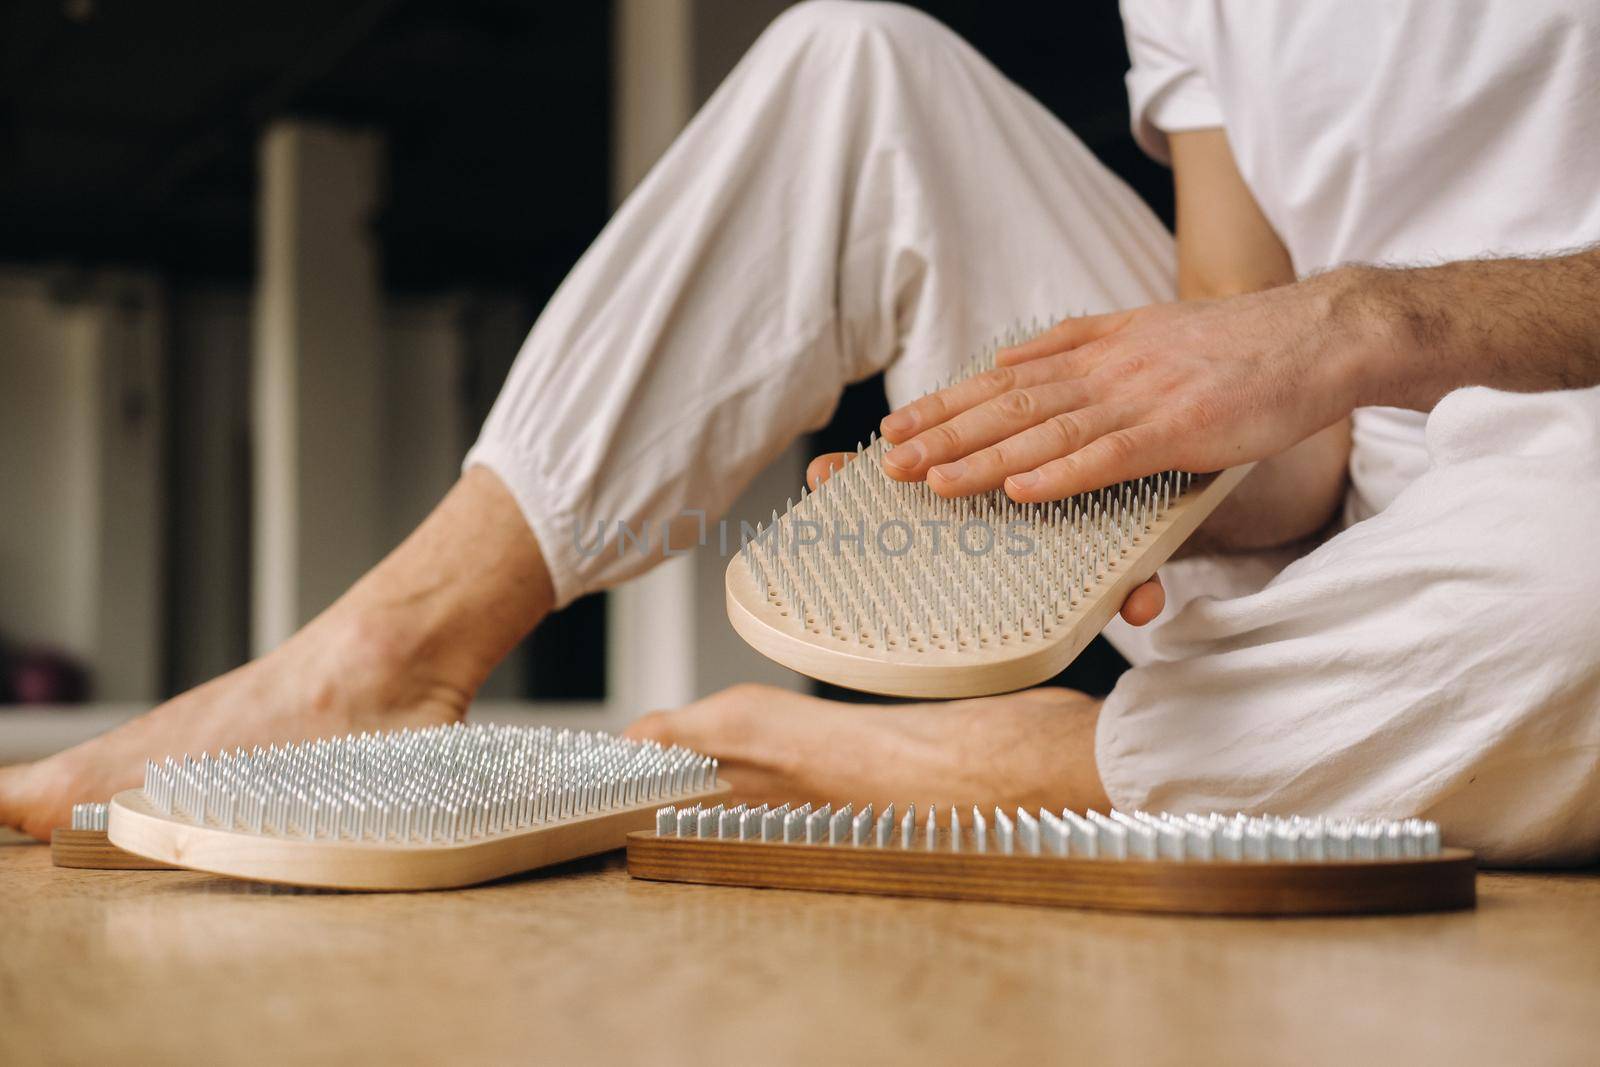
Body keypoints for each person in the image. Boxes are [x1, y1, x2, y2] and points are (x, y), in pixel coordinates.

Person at [3, 1, 1598, 863]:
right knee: (856, 64)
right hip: (1363, 530)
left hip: (1562, 478)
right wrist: (1086, 473)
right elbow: (1273, 410)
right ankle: (391, 656)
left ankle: (1039, 771)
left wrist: (1375, 320)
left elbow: (1317, 330)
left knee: (1573, 588)